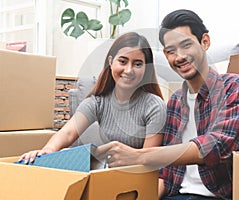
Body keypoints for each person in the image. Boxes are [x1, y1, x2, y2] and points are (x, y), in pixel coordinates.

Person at [95, 9, 239, 200]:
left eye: (186, 45)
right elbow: (167, 175)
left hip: (218, 196)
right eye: (171, 51)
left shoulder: (236, 87)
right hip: (175, 195)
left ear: (205, 42)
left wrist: (139, 156)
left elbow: (217, 145)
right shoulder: (175, 102)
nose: (179, 57)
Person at [18, 32, 167, 167]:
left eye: (138, 64)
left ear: (146, 67)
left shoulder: (154, 106)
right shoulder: (98, 102)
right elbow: (68, 133)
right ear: (111, 61)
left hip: (136, 179)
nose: (128, 70)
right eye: (122, 61)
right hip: (105, 173)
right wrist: (47, 151)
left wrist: (108, 154)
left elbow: (148, 159)